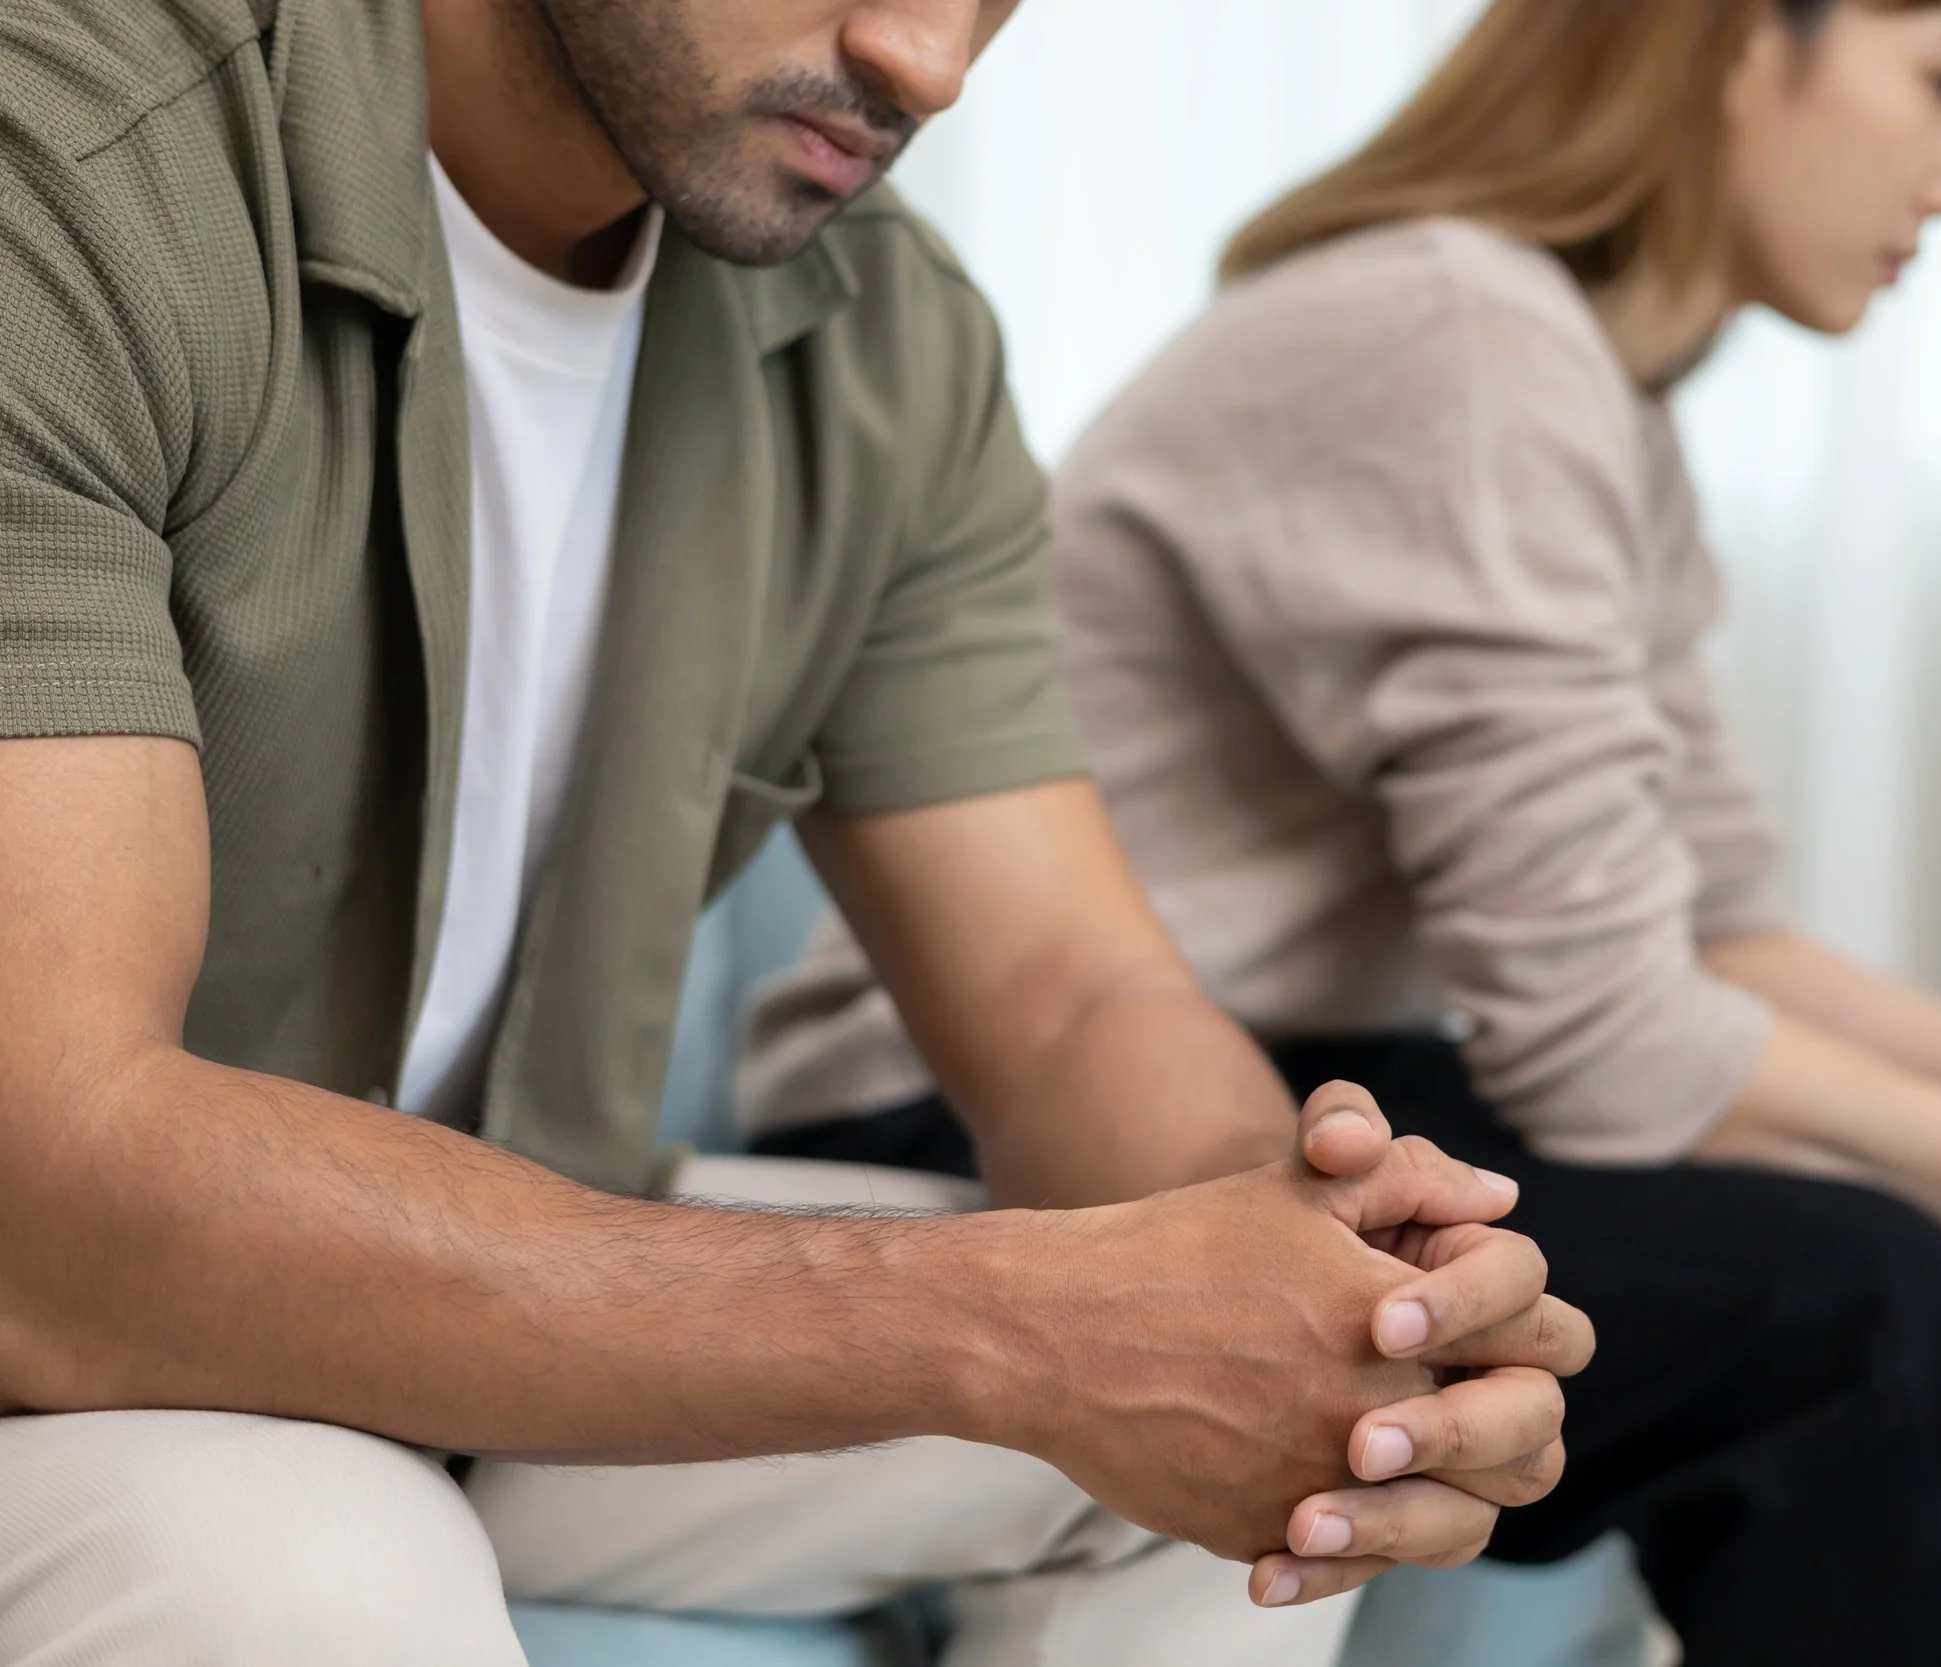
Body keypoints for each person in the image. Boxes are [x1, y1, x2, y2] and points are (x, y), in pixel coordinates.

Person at [744, 2, 1941, 1664]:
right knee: (1865, 1309)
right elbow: (1612, 1053)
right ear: (1725, 42)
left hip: (1308, 1077)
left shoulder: (1569, 379)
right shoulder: (1456, 337)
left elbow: (1718, 940)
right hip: (990, 1131)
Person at [0, 1, 1597, 1662]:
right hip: (65, 1337)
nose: (931, 60)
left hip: (472, 1306)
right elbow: (50, 1179)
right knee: (308, 1556)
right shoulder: (71, 158)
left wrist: (1316, 1282)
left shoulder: (882, 330)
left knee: (1264, 1450)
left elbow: (1067, 1001)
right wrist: (1014, 1329)